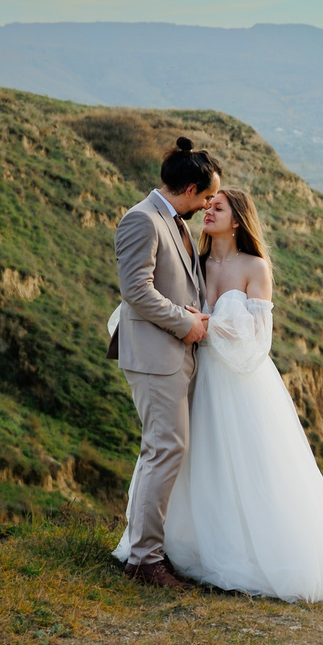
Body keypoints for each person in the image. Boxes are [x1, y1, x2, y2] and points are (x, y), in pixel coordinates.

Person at [115, 185, 323, 609]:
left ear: (237, 218)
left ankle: (253, 553)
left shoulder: (256, 267)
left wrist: (211, 326)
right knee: (194, 459)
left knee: (250, 466)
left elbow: (259, 342)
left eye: (216, 207)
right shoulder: (195, 262)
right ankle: (177, 549)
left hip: (240, 382)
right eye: (206, 204)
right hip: (196, 376)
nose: (207, 210)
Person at [108, 135, 221, 589]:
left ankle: (150, 551)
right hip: (156, 356)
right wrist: (184, 323)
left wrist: (194, 316)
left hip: (174, 353)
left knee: (164, 449)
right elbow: (136, 291)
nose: (210, 203)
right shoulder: (142, 220)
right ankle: (144, 561)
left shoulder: (173, 220)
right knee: (164, 449)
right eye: (209, 195)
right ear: (190, 190)